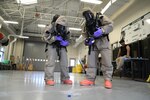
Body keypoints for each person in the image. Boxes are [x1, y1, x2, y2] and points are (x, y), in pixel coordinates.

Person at [80, 9, 113, 89]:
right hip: (93, 44)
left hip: (103, 41)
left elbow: (111, 25)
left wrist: (102, 30)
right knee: (91, 62)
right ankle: (90, 79)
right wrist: (87, 40)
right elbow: (85, 35)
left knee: (106, 61)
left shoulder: (101, 17)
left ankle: (107, 80)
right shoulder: (85, 25)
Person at [43, 15, 72, 86]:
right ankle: (49, 79)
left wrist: (66, 43)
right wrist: (54, 38)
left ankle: (65, 78)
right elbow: (44, 38)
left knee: (64, 62)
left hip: (62, 46)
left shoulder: (66, 29)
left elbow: (69, 39)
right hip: (51, 44)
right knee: (51, 62)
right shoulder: (49, 27)